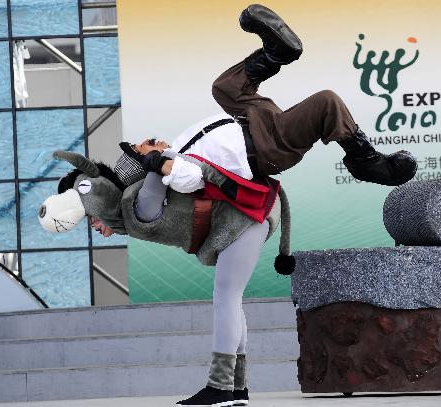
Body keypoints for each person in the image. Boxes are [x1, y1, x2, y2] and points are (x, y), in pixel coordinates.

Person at [60, 5, 417, 407]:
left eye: (144, 143)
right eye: (143, 147)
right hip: (266, 147)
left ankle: (278, 50)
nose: (150, 141)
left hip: (249, 117)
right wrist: (153, 165)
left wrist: (153, 159)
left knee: (223, 88)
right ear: (142, 164)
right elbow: (186, 181)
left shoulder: (173, 151)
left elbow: (149, 183)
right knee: (326, 103)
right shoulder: (170, 172)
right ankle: (365, 161)